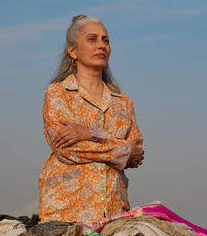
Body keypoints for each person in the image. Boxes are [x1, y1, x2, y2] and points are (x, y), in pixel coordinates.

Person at [38, 15, 144, 223]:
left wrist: (87, 133)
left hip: (114, 208)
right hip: (67, 208)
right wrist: (121, 148)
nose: (101, 46)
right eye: (92, 39)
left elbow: (136, 153)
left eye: (105, 40)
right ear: (73, 51)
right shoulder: (58, 93)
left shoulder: (123, 102)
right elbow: (68, 149)